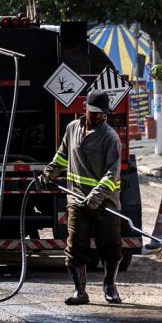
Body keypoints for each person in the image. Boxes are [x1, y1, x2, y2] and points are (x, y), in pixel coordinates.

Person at [36, 90, 123, 305]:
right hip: (76, 199)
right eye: (94, 113)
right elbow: (62, 156)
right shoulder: (72, 129)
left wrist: (96, 196)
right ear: (84, 108)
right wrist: (48, 174)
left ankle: (110, 286)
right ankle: (79, 291)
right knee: (75, 246)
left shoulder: (110, 137)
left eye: (102, 114)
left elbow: (112, 173)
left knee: (111, 246)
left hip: (105, 202)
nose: (98, 117)